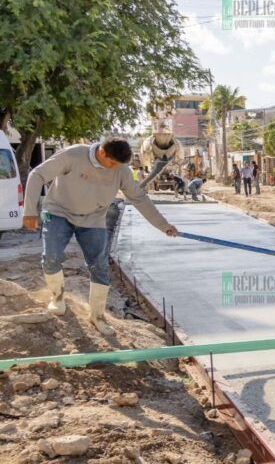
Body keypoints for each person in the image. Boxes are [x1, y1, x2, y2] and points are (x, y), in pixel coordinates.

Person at [22, 138, 178, 335]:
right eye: (112, 163)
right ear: (102, 153)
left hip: (93, 218)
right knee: (51, 256)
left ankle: (97, 316)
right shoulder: (73, 155)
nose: (114, 168)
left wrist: (163, 225)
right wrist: (29, 211)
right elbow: (37, 175)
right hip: (58, 212)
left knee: (100, 266)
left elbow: (139, 198)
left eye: (119, 165)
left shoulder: (121, 170)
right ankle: (57, 298)